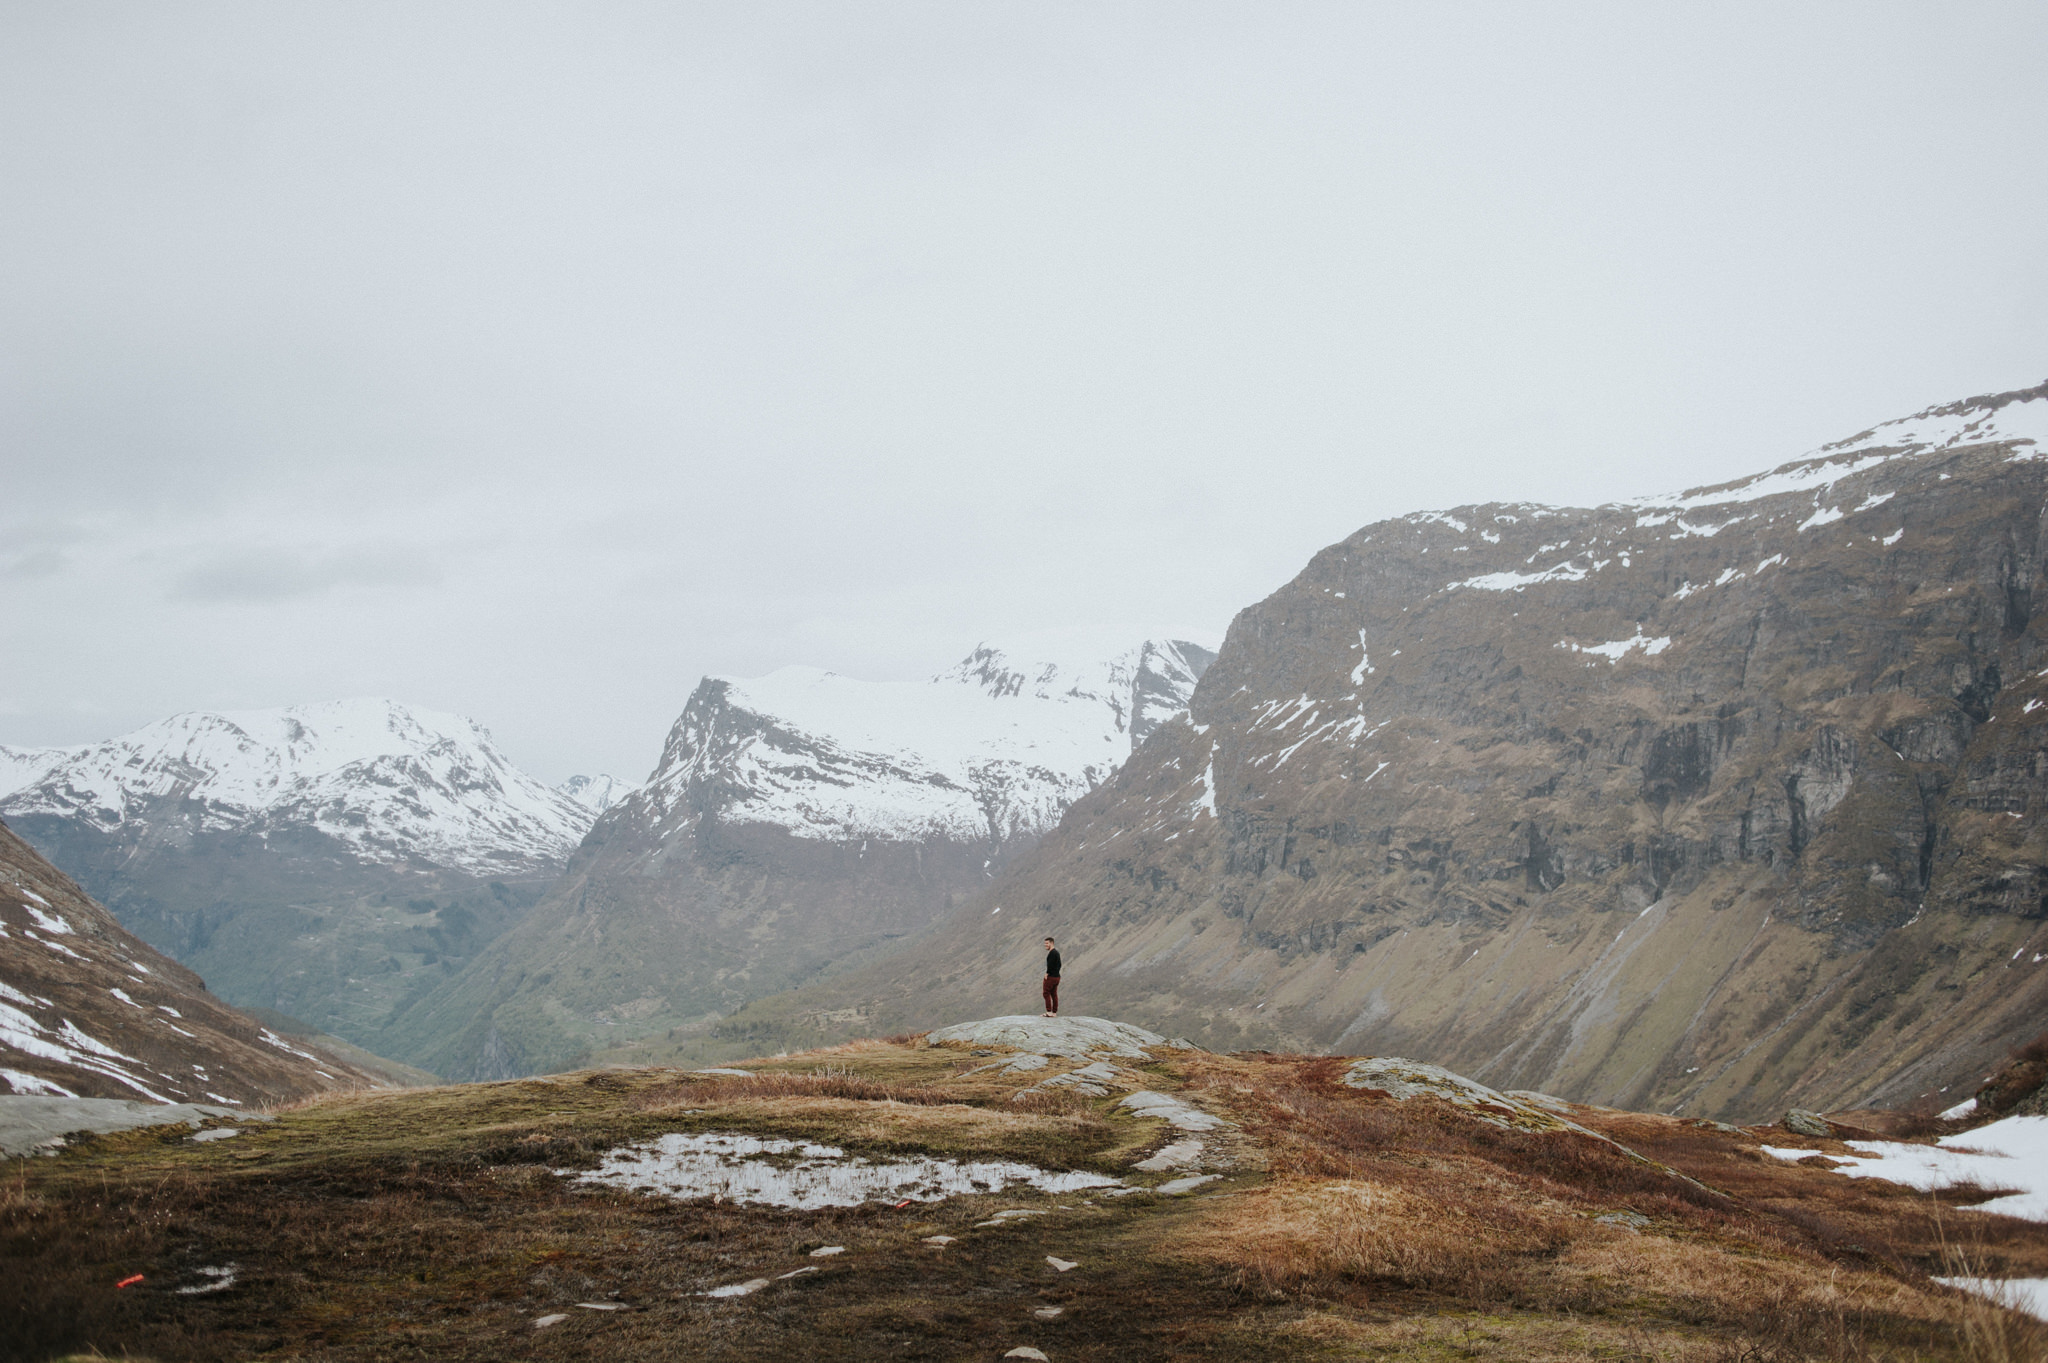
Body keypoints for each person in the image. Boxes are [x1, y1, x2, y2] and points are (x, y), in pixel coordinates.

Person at [1042, 937, 1061, 1017]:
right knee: (1054, 994)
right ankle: (1054, 1012)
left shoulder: (1052, 953)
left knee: (1046, 993)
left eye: (1047, 943)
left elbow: (1050, 965)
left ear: (1051, 943)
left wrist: (1047, 973)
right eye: (1045, 943)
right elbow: (1059, 965)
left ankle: (1049, 1011)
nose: (1045, 945)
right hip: (1057, 977)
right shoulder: (1056, 953)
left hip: (1051, 977)